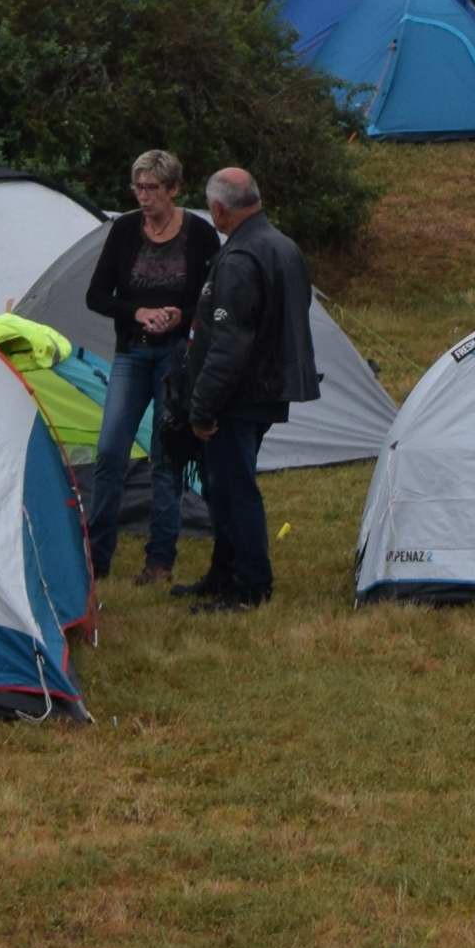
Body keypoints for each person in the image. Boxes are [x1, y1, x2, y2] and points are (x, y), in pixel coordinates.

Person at [174, 165, 317, 613]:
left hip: (239, 394)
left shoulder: (239, 258)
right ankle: (223, 572)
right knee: (223, 484)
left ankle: (249, 586)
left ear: (219, 209)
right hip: (268, 385)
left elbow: (228, 344)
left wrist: (202, 407)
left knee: (235, 488)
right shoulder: (283, 245)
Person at [78, 150, 214, 587]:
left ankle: (160, 560)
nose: (143, 197)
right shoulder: (123, 231)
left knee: (166, 456)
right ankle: (97, 556)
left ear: (174, 189)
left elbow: (213, 300)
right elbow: (96, 296)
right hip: (132, 351)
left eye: (152, 188)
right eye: (137, 188)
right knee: (110, 450)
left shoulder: (199, 235)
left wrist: (181, 315)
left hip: (175, 357)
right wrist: (137, 313)